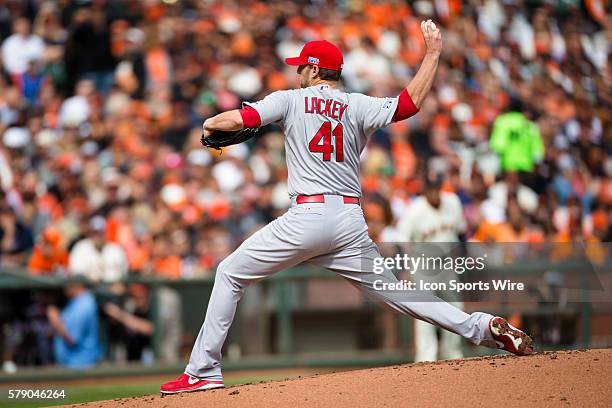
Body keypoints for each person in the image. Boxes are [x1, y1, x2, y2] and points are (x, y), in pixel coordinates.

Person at [161, 20, 533, 395]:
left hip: (308, 217)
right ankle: (481, 327)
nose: (297, 71)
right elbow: (409, 104)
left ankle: (203, 370)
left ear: (315, 69)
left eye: (302, 66)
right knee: (401, 295)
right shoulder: (357, 104)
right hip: (349, 222)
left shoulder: (290, 98)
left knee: (229, 273)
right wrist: (433, 53)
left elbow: (239, 119)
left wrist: (208, 125)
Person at [396, 175, 466, 362]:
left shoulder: (453, 202)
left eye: (437, 188)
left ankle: (453, 354)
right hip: (423, 265)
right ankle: (426, 358)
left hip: (447, 263)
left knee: (456, 307)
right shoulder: (415, 210)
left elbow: (460, 233)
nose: (435, 192)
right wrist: (406, 267)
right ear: (425, 190)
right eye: (431, 189)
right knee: (424, 311)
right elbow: (401, 239)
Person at [46, 276, 101, 369]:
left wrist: (55, 320)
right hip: (75, 364)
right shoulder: (76, 301)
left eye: (68, 285)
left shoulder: (83, 305)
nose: (65, 288)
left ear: (77, 286)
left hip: (80, 365)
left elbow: (72, 339)